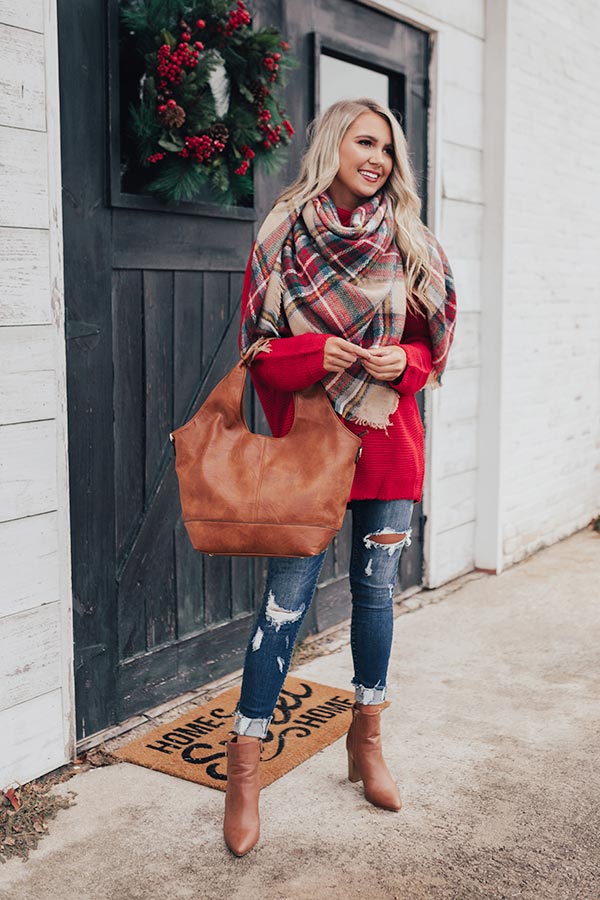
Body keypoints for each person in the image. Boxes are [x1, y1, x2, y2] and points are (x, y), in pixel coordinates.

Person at [223, 97, 456, 857]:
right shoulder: (282, 233)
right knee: (285, 604)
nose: (378, 160)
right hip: (309, 450)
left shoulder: (412, 239)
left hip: (390, 444)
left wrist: (404, 362)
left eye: (387, 149)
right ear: (332, 147)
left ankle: (367, 739)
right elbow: (257, 348)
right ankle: (245, 769)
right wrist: (309, 354)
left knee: (376, 595)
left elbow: (432, 348)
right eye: (364, 143)